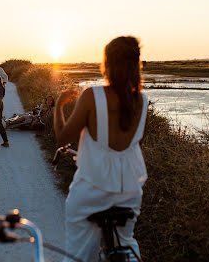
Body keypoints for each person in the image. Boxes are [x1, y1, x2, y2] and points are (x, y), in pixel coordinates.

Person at [54, 36, 148, 261]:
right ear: (136, 65)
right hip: (129, 194)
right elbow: (137, 143)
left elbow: (62, 138)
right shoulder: (142, 101)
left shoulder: (92, 96)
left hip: (90, 193)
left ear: (108, 63)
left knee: (78, 254)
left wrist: (58, 105)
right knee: (127, 244)